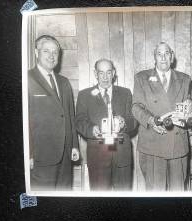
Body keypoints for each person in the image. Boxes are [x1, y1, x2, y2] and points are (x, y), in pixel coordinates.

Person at [132, 42, 192, 191]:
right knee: (155, 193)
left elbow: (187, 103)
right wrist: (152, 121)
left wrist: (191, 107)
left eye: (167, 53)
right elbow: (136, 107)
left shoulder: (184, 79)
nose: (163, 57)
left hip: (177, 143)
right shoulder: (142, 78)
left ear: (172, 57)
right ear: (155, 57)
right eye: (159, 54)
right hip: (152, 143)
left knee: (177, 193)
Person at [75, 59, 136, 191]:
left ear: (113, 73)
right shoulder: (84, 95)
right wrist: (92, 129)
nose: (105, 77)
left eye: (108, 72)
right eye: (101, 73)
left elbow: (134, 121)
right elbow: (79, 121)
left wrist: (124, 122)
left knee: (124, 197)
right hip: (97, 155)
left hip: (122, 155)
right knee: (99, 197)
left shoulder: (126, 93)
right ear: (95, 74)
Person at [28, 35, 79, 191]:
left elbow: (70, 117)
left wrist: (74, 146)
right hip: (41, 155)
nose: (51, 56)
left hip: (65, 155)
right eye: (46, 51)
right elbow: (24, 121)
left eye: (55, 52)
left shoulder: (64, 82)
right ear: (37, 53)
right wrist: (28, 153)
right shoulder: (26, 79)